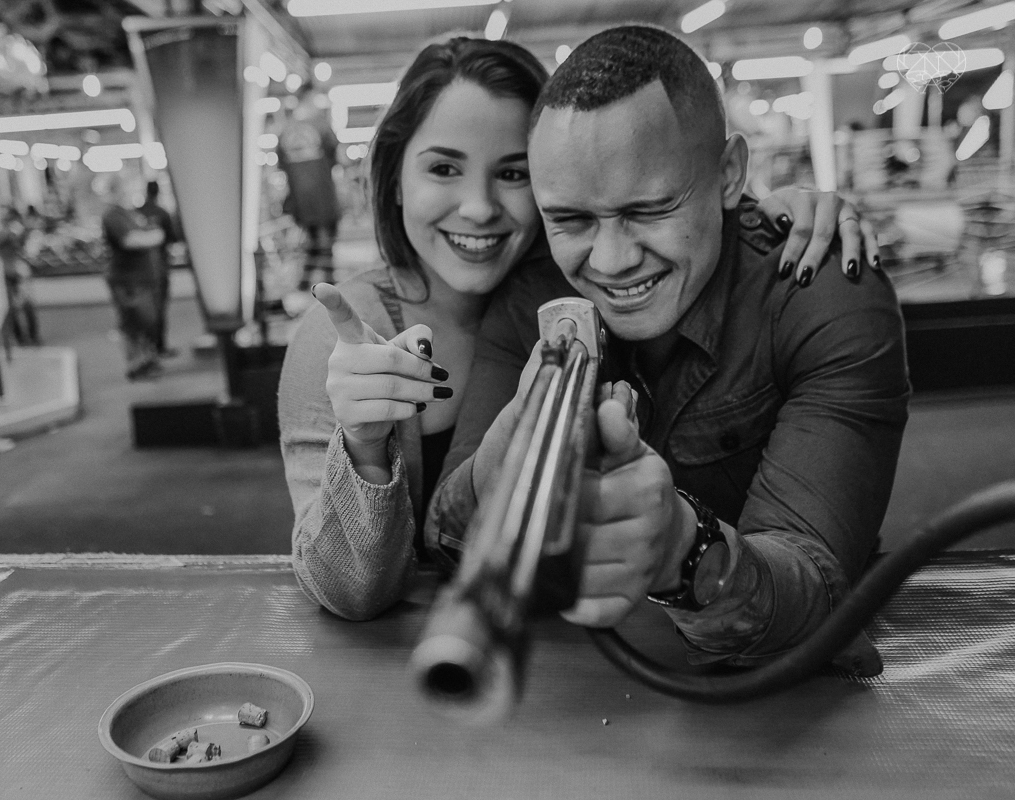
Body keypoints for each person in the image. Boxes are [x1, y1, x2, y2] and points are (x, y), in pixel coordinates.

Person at [278, 35, 878, 623]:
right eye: (443, 168)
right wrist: (366, 446)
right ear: (393, 176)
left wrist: (683, 549)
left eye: (513, 174)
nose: (481, 208)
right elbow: (394, 562)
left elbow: (812, 572)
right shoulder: (371, 329)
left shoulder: (547, 279)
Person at [427, 25, 910, 666]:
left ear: (730, 174)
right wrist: (490, 482)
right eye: (570, 219)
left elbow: (815, 583)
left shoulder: (821, 295)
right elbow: (443, 534)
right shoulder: (530, 297)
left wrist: (686, 551)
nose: (612, 259)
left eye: (651, 209)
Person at [101, 173, 166, 381]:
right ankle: (136, 364)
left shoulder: (129, 213)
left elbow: (152, 233)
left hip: (141, 279)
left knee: (147, 321)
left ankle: (146, 360)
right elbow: (131, 240)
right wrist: (153, 237)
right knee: (133, 323)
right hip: (128, 280)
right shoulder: (113, 215)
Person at [277, 84, 342, 289]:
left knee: (314, 241)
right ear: (310, 97)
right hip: (322, 196)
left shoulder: (285, 131)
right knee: (325, 243)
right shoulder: (321, 125)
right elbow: (335, 158)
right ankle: (328, 285)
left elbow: (282, 167)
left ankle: (305, 284)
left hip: (300, 199)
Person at [139, 180, 180, 357]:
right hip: (158, 268)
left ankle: (148, 347)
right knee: (159, 307)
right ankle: (158, 346)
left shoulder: (137, 213)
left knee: (145, 308)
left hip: (141, 270)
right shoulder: (162, 213)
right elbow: (172, 237)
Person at [0, 208, 41, 347]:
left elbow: (28, 252)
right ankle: (22, 338)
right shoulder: (6, 234)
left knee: (24, 306)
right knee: (14, 308)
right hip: (10, 272)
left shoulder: (21, 233)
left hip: (18, 272)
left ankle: (31, 337)